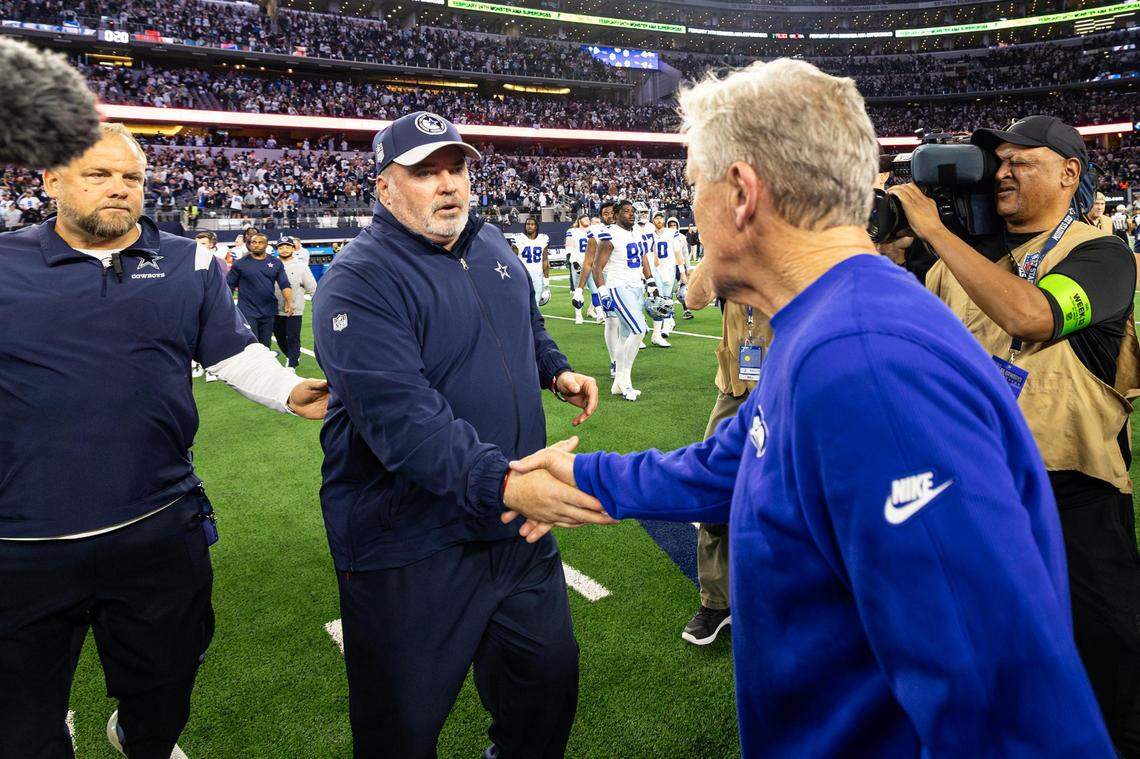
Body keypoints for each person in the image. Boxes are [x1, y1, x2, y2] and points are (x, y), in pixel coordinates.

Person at [505, 60, 1113, 757]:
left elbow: (1017, 718)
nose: (689, 211)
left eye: (692, 187)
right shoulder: (830, 319)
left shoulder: (866, 365)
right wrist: (576, 482)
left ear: (740, 191)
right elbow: (727, 464)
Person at [0, 123, 329, 759]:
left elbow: (230, 351)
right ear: (51, 180)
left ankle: (137, 735)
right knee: (19, 722)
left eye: (132, 178)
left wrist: (289, 392)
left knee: (166, 686)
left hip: (154, 522)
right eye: (99, 175)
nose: (119, 189)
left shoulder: (189, 261)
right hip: (21, 541)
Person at [311, 111, 606, 759]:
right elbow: (403, 423)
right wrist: (509, 481)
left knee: (547, 692)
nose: (448, 184)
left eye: (457, 167)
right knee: (401, 733)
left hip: (511, 530)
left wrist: (555, 368)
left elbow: (522, 321)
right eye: (425, 171)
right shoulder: (357, 281)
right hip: (412, 544)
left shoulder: (491, 241)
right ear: (385, 187)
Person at [888, 114, 1140, 755]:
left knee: (1110, 658)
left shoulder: (1101, 254)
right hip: (975, 488)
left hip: (1075, 495)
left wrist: (935, 230)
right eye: (996, 162)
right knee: (988, 653)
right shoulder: (967, 258)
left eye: (1020, 160)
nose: (1001, 171)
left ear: (1069, 171)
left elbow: (1033, 316)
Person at [672, 261, 770, 645]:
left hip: (788, 388)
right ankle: (716, 602)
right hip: (734, 390)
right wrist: (718, 246)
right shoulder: (727, 249)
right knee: (711, 487)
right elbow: (694, 299)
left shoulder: (799, 235)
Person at [593, 200, 660, 401]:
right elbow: (597, 266)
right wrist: (603, 292)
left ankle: (617, 384)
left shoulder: (637, 232)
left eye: (633, 211)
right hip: (618, 287)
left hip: (636, 287)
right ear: (615, 214)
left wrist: (651, 282)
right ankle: (625, 381)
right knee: (640, 330)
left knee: (624, 336)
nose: (631, 215)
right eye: (626, 212)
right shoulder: (610, 233)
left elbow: (643, 258)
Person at [227, 232, 293, 347]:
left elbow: (284, 284)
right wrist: (227, 307)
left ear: (266, 245)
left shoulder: (276, 263)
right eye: (253, 242)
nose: (256, 245)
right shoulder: (239, 264)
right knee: (252, 343)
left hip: (269, 309)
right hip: (247, 310)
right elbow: (229, 286)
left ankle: (264, 365)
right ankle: (251, 365)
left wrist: (288, 302)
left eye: (260, 242)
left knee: (265, 344)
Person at [273, 237, 317, 369]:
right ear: (277, 250)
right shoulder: (272, 265)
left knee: (293, 336)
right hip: (274, 309)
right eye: (281, 247)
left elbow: (313, 287)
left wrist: (317, 305)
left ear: (293, 248)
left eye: (287, 246)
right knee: (279, 337)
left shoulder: (301, 266)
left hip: (295, 309)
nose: (284, 249)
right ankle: (291, 355)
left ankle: (292, 364)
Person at [649, 211, 688, 346]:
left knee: (667, 298)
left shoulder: (671, 233)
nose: (658, 220)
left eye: (660, 218)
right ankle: (658, 331)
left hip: (669, 269)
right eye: (656, 218)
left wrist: (682, 272)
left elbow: (678, 253)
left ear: (663, 220)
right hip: (655, 270)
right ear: (653, 220)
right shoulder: (649, 233)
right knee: (658, 299)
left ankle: (666, 325)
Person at [510, 216, 550, 307]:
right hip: (522, 274)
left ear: (536, 226)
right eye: (528, 224)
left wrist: (546, 278)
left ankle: (535, 321)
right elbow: (512, 258)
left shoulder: (543, 239)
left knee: (536, 302)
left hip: (537, 274)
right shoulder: (518, 238)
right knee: (522, 300)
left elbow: (544, 260)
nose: (530, 226)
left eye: (532, 224)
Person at [565, 215, 591, 324]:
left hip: (591, 263)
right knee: (578, 291)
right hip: (578, 262)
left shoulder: (593, 230)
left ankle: (594, 311)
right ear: (579, 220)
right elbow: (569, 247)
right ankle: (578, 315)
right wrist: (573, 261)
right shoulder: (572, 231)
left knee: (596, 290)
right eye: (585, 218)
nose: (588, 220)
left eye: (588, 218)